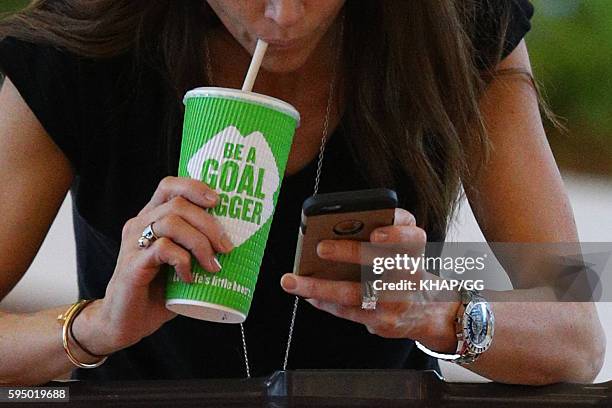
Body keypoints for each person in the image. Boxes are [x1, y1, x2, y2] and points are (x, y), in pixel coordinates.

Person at [0, 0, 605, 386]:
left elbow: (575, 334)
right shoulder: (82, 42)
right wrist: (92, 328)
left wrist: (441, 312)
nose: (283, 15)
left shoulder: (458, 24)